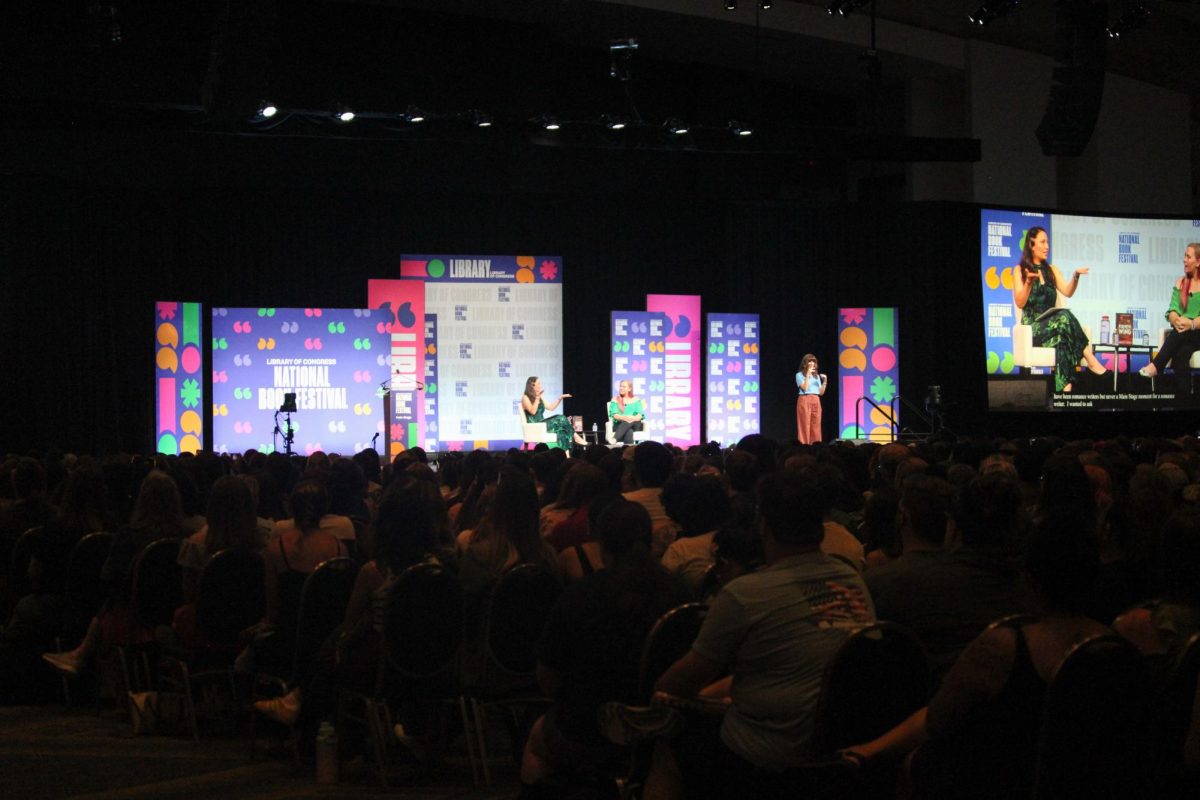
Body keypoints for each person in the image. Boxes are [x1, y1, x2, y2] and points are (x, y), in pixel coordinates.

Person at [1012, 226, 1106, 393]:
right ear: (1031, 245)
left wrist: (1075, 276)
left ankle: (1066, 393)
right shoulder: (1020, 270)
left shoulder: (1052, 270)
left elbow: (1068, 291)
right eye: (1042, 242)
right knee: (1064, 314)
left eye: (1048, 242)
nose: (1047, 246)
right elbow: (1019, 302)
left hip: (1053, 327)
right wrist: (1028, 283)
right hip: (1032, 330)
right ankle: (1091, 361)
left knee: (1062, 341)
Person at [1139, 242, 1200, 400]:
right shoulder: (1181, 283)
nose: (1184, 260)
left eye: (1188, 257)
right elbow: (1172, 310)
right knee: (1181, 354)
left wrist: (1191, 323)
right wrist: (1176, 320)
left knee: (1181, 332)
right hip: (1184, 334)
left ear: (1198, 262)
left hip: (1198, 332)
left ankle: (1157, 365)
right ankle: (1185, 402)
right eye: (1184, 256)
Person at [521, 376, 584, 450]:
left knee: (562, 431)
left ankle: (566, 454)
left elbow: (551, 407)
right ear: (532, 385)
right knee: (561, 418)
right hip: (535, 425)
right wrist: (537, 398)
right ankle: (576, 437)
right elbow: (533, 411)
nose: (540, 385)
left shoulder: (539, 397)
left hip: (543, 424)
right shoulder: (525, 397)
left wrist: (560, 398)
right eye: (538, 383)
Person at [794, 354, 826, 444]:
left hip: (816, 399)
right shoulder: (799, 375)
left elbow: (821, 393)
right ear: (805, 363)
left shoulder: (816, 377)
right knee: (804, 425)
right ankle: (804, 446)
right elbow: (805, 387)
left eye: (814, 361)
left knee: (816, 425)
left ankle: (816, 446)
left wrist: (825, 382)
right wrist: (808, 374)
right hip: (805, 398)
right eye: (810, 361)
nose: (812, 363)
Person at [607, 380, 645, 445]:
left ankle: (615, 439)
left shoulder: (636, 399)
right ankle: (629, 452)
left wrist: (631, 418)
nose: (621, 388)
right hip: (619, 424)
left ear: (629, 389)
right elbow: (615, 415)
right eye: (620, 386)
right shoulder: (615, 399)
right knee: (629, 431)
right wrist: (625, 418)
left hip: (635, 424)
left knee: (629, 421)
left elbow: (640, 415)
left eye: (624, 387)